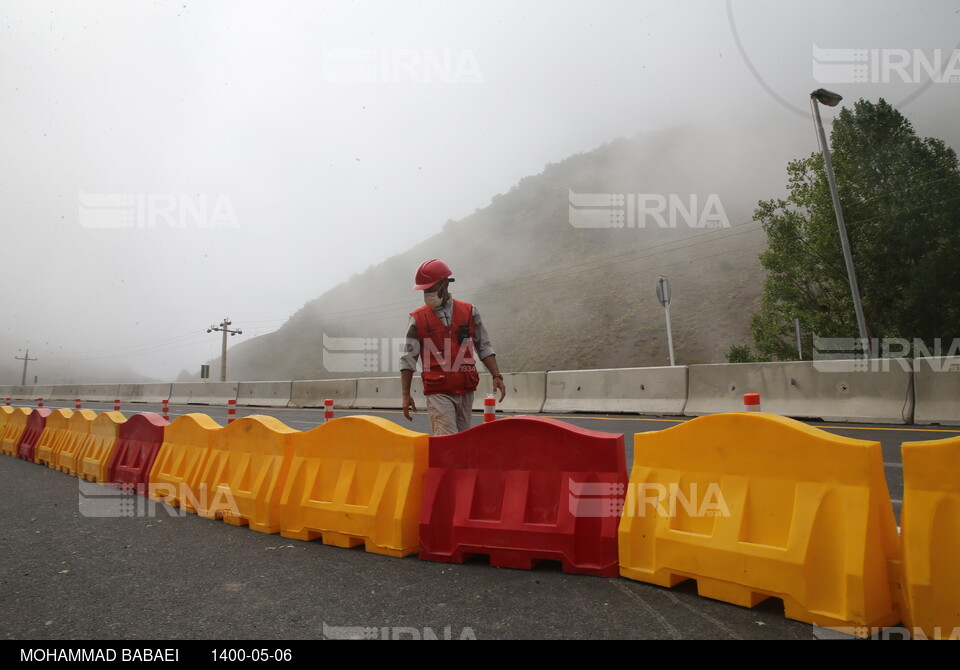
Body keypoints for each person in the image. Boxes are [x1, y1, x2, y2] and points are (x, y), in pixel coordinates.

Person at [400, 259, 506, 435]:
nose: (427, 293)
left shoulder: (469, 311)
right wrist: (406, 395)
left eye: (431, 288)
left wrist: (496, 375)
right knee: (447, 439)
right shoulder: (417, 318)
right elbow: (408, 359)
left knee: (461, 441)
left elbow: (484, 346)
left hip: (466, 390)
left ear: (445, 285)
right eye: (424, 289)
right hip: (438, 392)